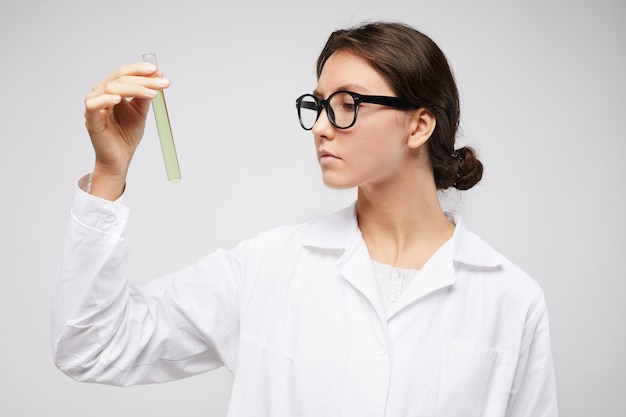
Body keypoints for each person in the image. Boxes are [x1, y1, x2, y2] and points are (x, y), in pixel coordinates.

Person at [52, 21, 558, 416]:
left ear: (419, 124)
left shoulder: (511, 299)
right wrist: (108, 173)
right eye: (316, 106)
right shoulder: (268, 268)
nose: (319, 127)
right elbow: (91, 344)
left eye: (346, 105)